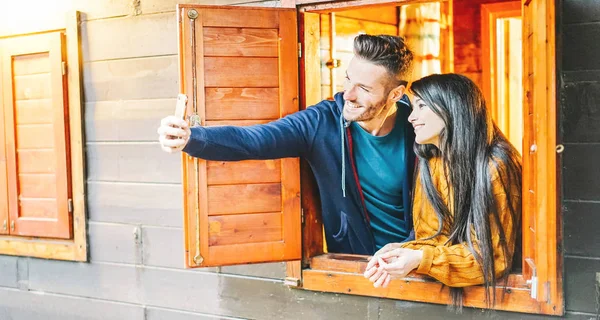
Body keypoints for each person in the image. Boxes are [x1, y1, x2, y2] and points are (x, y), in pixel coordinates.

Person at [157, 34, 417, 255]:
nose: (348, 94)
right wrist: (191, 138)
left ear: (395, 94)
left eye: (364, 88)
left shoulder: (419, 124)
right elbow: (255, 140)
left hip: (421, 263)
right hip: (358, 266)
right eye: (348, 79)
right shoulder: (320, 122)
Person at [364, 73, 522, 307]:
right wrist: (402, 251)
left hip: (498, 303)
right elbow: (436, 237)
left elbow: (491, 258)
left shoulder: (496, 165)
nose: (411, 118)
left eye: (421, 106)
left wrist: (420, 257)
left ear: (452, 108)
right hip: (448, 299)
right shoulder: (432, 159)